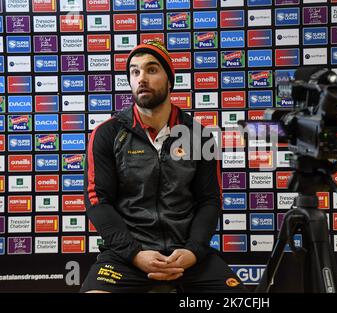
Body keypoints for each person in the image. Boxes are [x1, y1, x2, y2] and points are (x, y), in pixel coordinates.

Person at [80, 41, 247, 293]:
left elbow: (210, 201)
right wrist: (135, 254)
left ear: (170, 80)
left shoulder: (198, 136)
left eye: (152, 70)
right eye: (135, 72)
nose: (142, 78)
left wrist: (193, 250)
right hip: (127, 257)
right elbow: (97, 202)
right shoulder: (107, 134)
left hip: (187, 256)